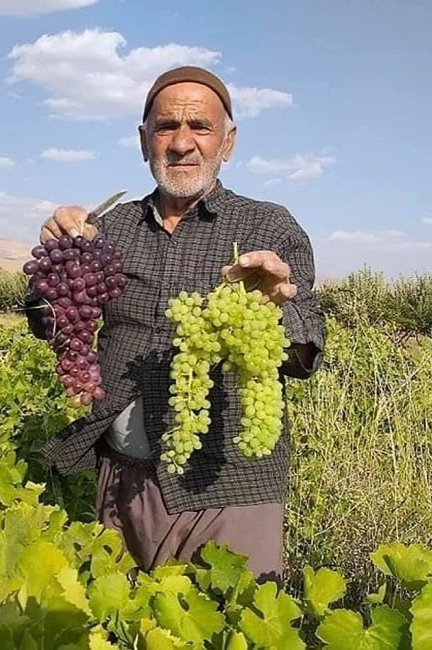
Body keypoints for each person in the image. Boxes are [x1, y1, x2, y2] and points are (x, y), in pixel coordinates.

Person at [25, 65, 326, 582]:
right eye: (166, 127)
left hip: (230, 491)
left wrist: (276, 307)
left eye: (200, 128)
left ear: (227, 143)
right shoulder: (109, 229)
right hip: (122, 480)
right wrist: (57, 264)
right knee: (122, 628)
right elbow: (53, 325)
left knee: (230, 628)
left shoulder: (268, 225)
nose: (182, 143)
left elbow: (306, 350)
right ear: (144, 141)